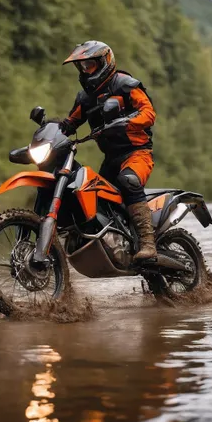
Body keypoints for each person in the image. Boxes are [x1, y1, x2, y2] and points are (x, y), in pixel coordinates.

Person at [60, 40, 157, 262]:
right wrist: (51, 131)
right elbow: (70, 123)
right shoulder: (85, 98)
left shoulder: (125, 84)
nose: (87, 70)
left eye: (91, 65)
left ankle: (148, 243)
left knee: (129, 181)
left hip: (137, 153)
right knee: (90, 194)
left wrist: (127, 122)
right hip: (111, 159)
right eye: (83, 67)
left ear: (105, 62)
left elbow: (149, 113)